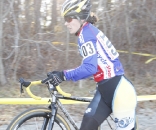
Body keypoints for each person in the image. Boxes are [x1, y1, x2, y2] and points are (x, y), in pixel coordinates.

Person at [46, 0, 137, 130]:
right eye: (65, 19)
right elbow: (97, 67)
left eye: (69, 18)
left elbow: (90, 68)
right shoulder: (87, 31)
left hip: (119, 91)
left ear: (80, 18)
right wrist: (62, 74)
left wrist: (63, 75)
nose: (66, 23)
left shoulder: (86, 34)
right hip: (104, 91)